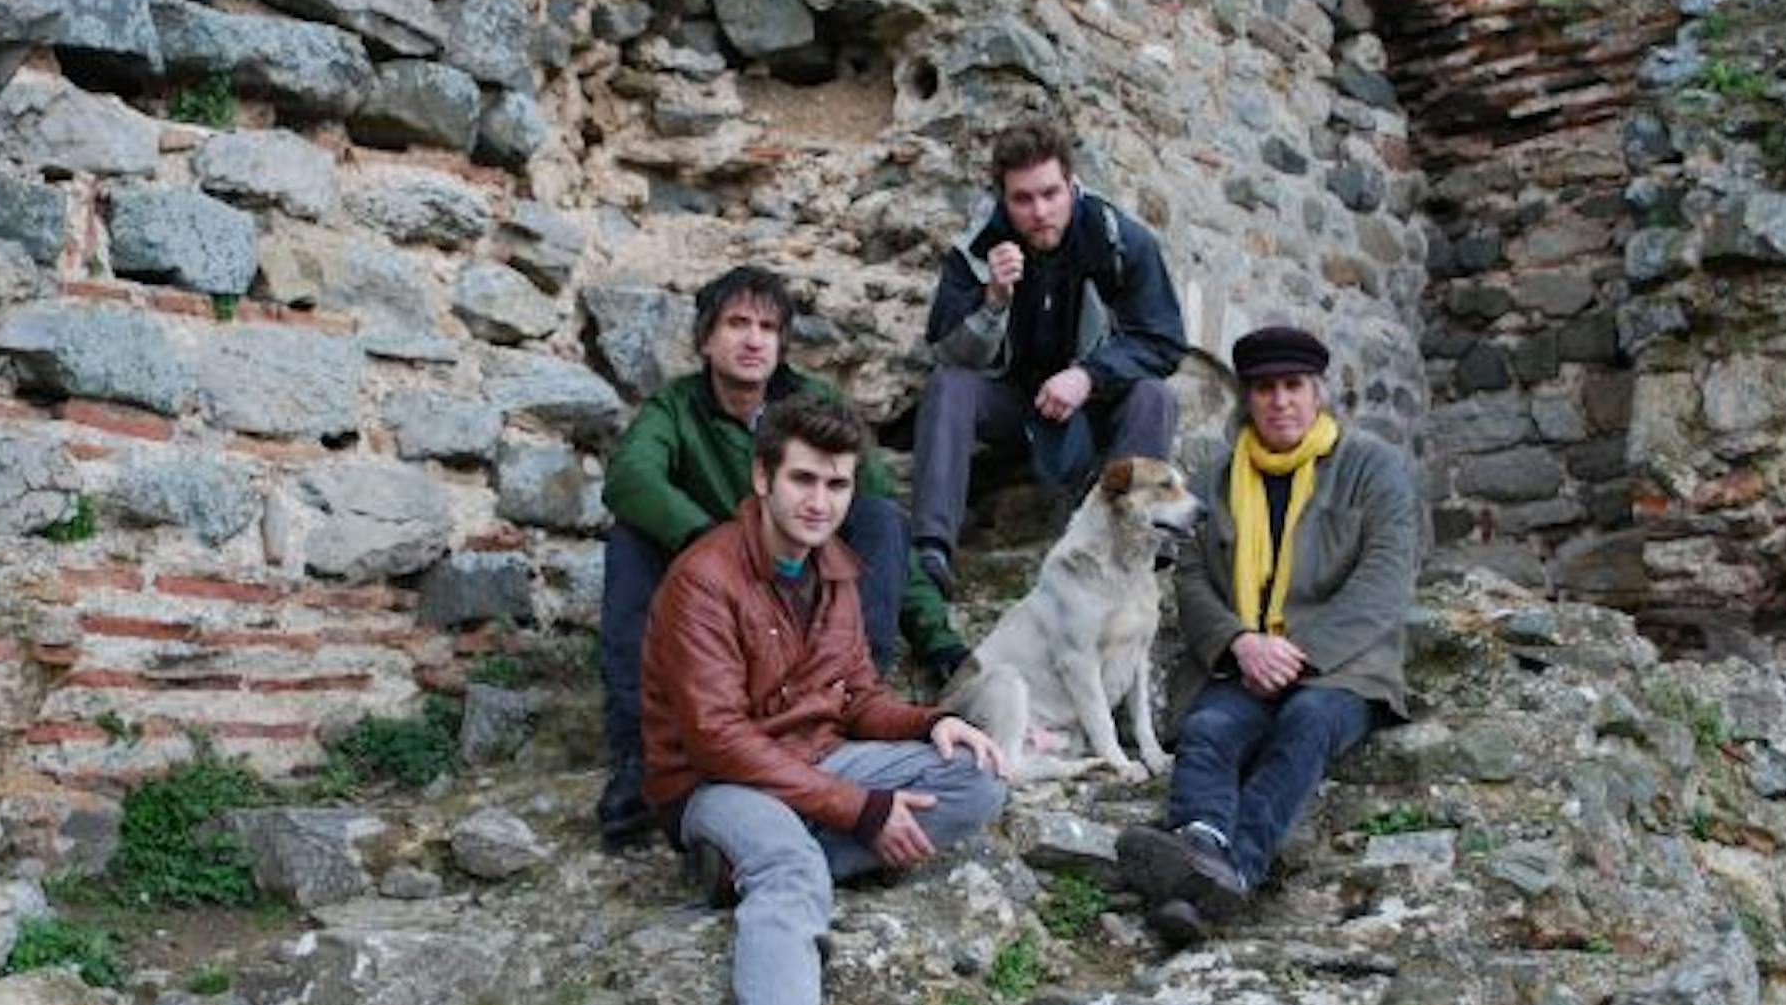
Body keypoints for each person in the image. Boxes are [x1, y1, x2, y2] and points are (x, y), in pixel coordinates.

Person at [640, 391, 1009, 1005]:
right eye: (803, 480)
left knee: (977, 780)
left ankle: (740, 871)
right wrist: (859, 809)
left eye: (837, 486)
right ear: (762, 476)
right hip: (714, 781)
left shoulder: (837, 567)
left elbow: (854, 697)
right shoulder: (702, 578)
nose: (820, 502)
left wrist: (927, 723)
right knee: (792, 867)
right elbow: (717, 738)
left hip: (817, 759)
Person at [594, 266, 968, 846]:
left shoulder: (815, 404)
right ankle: (636, 753)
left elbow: (883, 520)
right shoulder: (677, 407)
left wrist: (938, 638)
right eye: (737, 323)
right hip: (721, 607)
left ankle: (848, 711)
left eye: (768, 327)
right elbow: (629, 478)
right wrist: (719, 545)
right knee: (630, 540)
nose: (753, 339)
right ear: (705, 339)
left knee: (878, 517)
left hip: (810, 599)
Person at [1116, 325, 1418, 946]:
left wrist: (1297, 652)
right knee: (1209, 728)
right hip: (1243, 662)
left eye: (1293, 386)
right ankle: (1203, 843)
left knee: (1306, 721)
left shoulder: (1372, 468)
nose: (1280, 401)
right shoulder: (1217, 475)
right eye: (1264, 389)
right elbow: (1194, 575)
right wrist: (1241, 644)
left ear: (1318, 393)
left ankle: (1227, 870)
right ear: (1246, 398)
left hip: (1342, 667)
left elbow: (1385, 582)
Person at [909, 118, 1187, 597]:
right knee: (949, 386)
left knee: (1154, 395)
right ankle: (931, 550)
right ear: (1003, 198)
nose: (1040, 212)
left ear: (1071, 185)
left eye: (1050, 194)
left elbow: (1163, 341)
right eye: (1023, 199)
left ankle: (1128, 541)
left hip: (1095, 409)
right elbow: (946, 350)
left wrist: (1088, 376)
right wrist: (992, 300)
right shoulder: (978, 247)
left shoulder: (1119, 239)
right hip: (1013, 407)